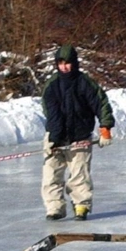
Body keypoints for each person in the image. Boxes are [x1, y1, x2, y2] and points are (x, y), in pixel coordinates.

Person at [40, 45, 114, 221]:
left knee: (80, 174)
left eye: (68, 63)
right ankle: (54, 207)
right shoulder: (52, 85)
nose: (64, 67)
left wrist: (105, 128)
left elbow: (101, 104)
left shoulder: (85, 83)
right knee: (51, 175)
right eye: (61, 63)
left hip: (80, 136)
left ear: (75, 63)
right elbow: (51, 113)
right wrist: (54, 139)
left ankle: (81, 205)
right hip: (55, 137)